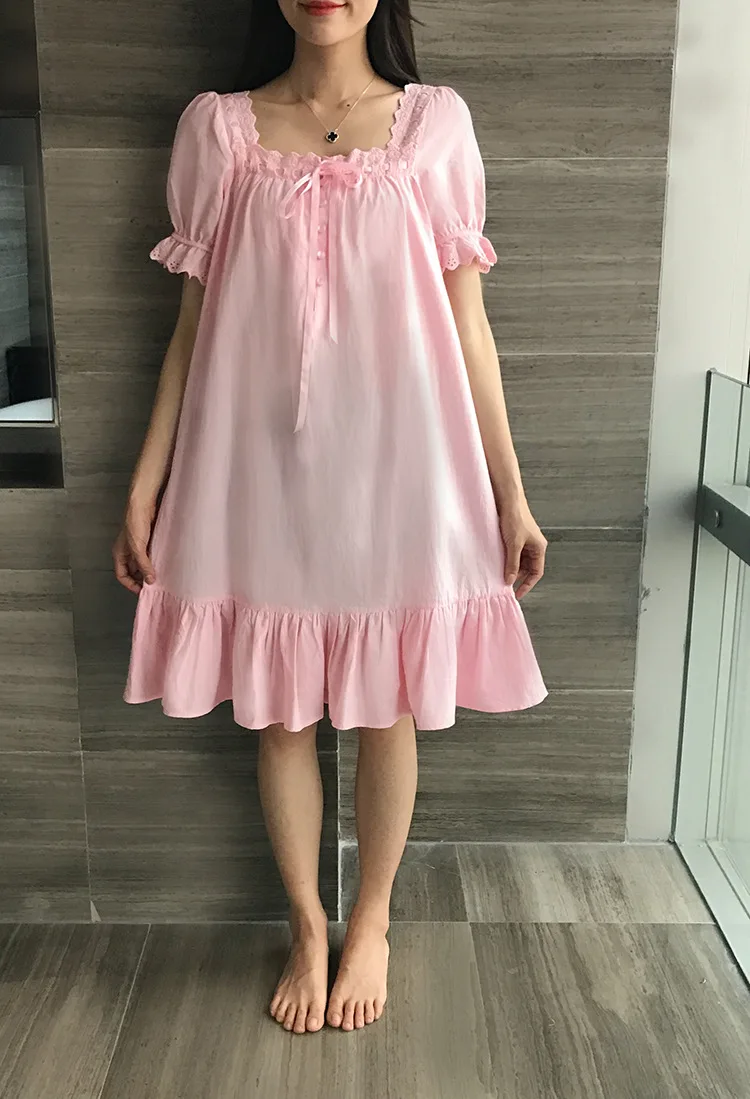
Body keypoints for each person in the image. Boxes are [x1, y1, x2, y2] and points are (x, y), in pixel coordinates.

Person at [113, 0, 548, 1036]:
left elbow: (469, 326)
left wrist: (511, 491)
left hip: (401, 465)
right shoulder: (217, 131)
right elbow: (191, 329)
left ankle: (374, 921)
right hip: (256, 467)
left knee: (389, 701)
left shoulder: (435, 125)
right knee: (278, 715)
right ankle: (307, 923)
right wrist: (144, 483)